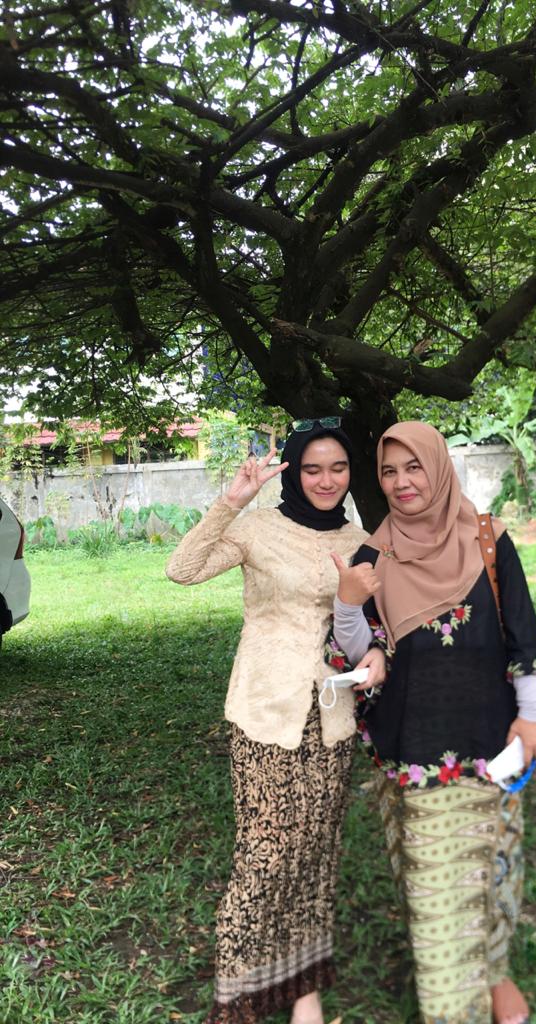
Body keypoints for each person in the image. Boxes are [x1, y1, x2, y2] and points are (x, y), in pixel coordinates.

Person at [330, 421, 536, 1024]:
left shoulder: (488, 539)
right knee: (435, 896)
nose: (402, 482)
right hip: (416, 749)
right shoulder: (373, 556)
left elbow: (522, 631)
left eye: (414, 467)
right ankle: (452, 1005)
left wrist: (534, 714)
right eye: (389, 471)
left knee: (497, 871)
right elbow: (360, 653)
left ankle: (496, 972)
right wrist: (348, 602)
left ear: (439, 468)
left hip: (492, 741)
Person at [166, 420, 385, 1024]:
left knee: (315, 851)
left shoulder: (362, 540)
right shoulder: (259, 528)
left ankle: (304, 987)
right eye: (312, 469)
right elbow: (182, 569)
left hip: (333, 717)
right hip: (264, 711)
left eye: (337, 468)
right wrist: (232, 501)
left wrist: (377, 651)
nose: (326, 480)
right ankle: (237, 998)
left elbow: (372, 625)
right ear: (293, 471)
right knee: (265, 856)